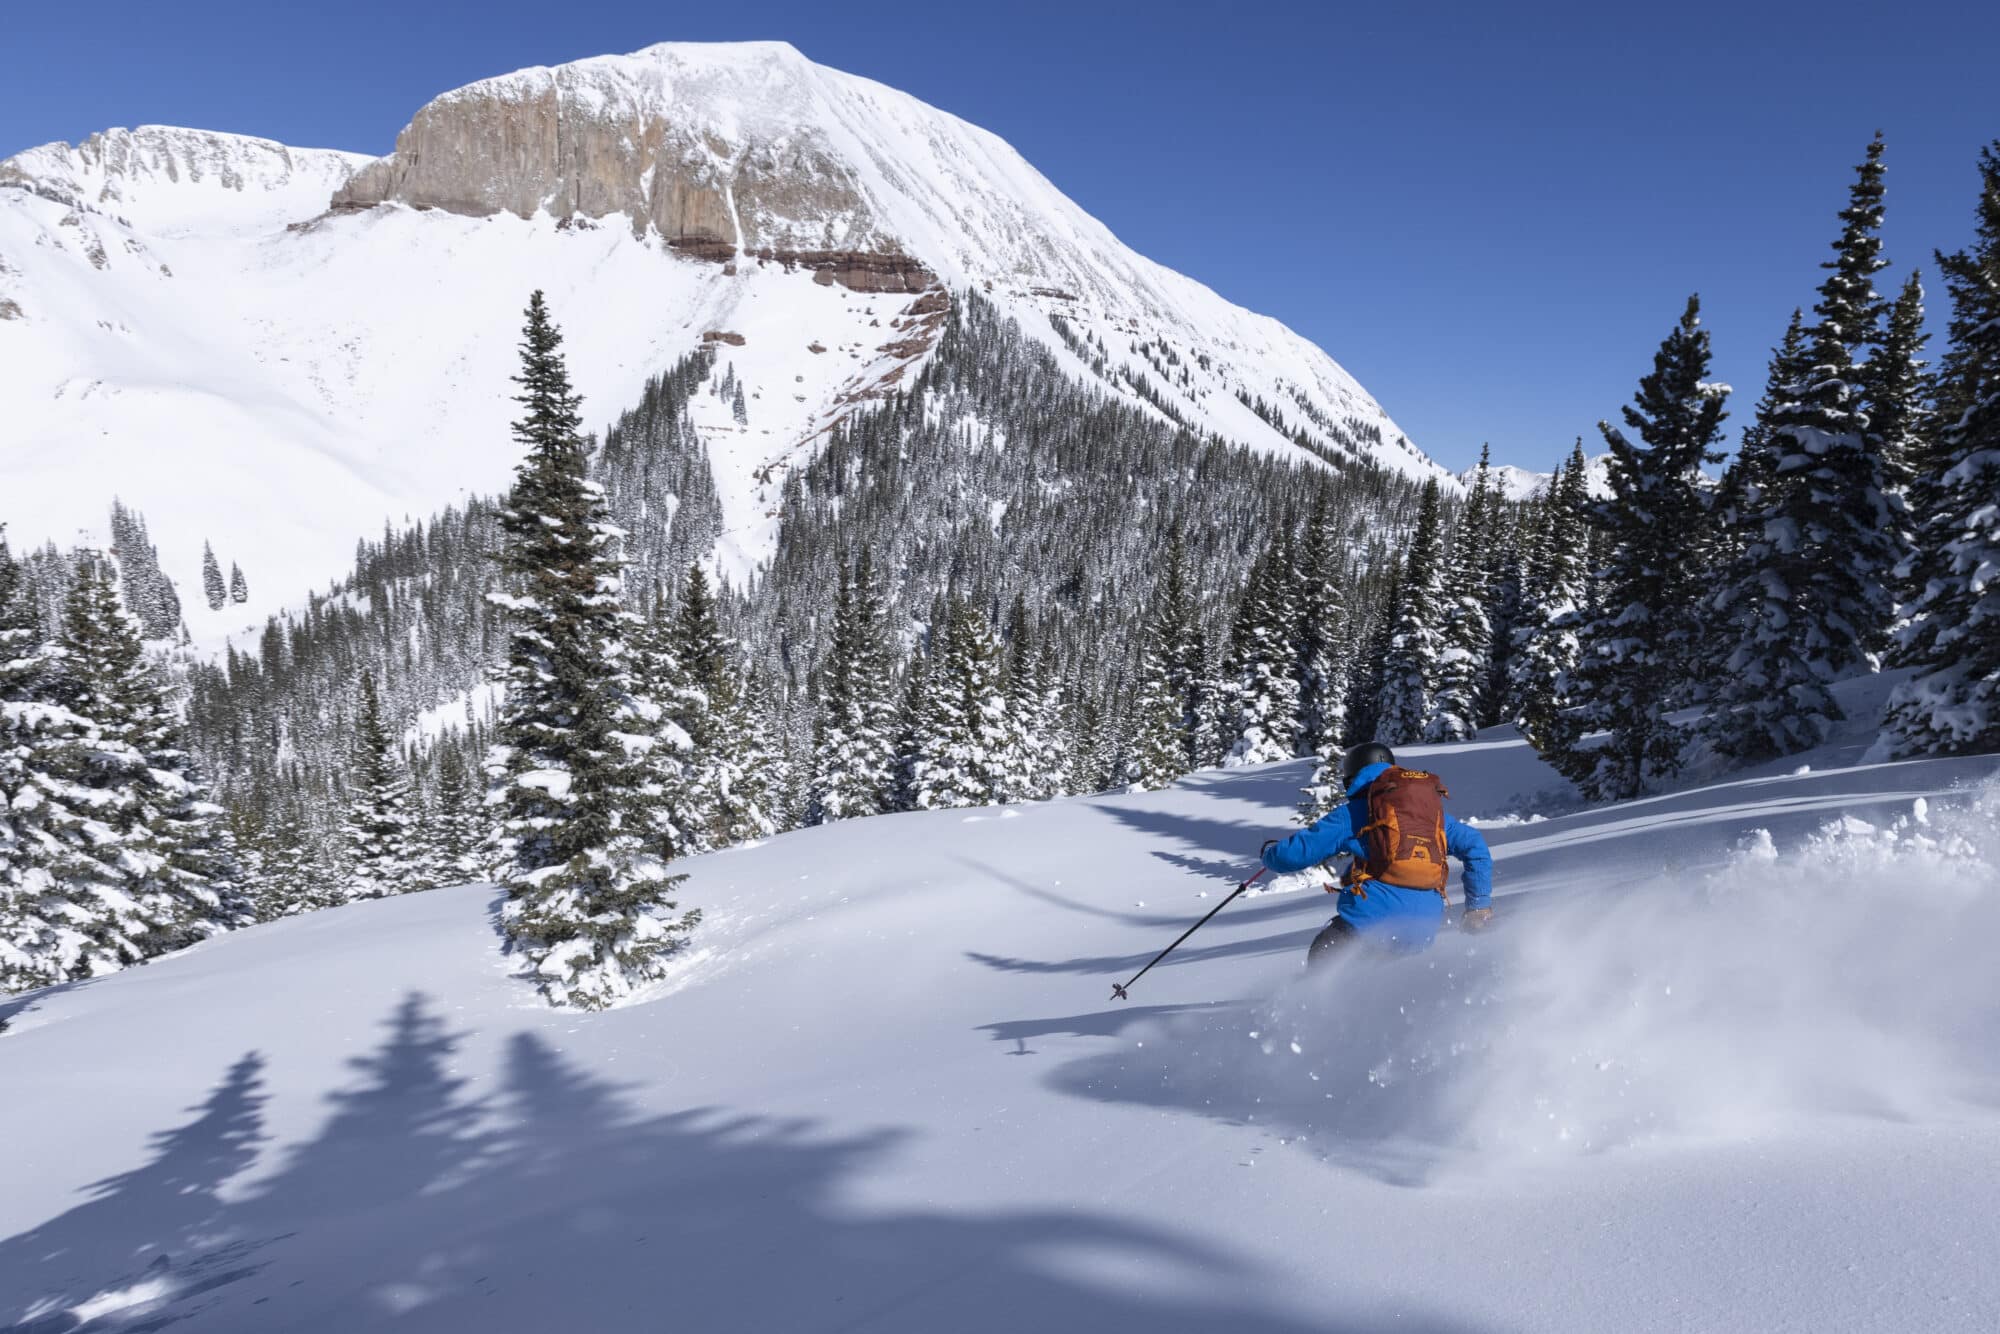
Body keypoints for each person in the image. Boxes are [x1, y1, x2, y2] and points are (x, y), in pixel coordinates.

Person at [1262, 741, 1493, 966]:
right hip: (1424, 928)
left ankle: (1308, 1003)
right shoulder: (1432, 817)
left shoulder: (1353, 814)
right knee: (1388, 991)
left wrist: (1269, 855)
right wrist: (1478, 905)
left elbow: (1294, 855)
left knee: (1322, 962)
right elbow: (1476, 847)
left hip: (1368, 923)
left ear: (1352, 778)